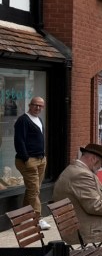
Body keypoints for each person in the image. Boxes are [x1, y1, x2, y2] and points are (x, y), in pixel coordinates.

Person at [52, 143, 102, 247]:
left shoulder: (75, 169)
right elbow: (95, 206)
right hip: (85, 227)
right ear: (94, 159)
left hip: (81, 219)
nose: (101, 167)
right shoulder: (81, 174)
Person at [14, 96, 49, 229]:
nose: (38, 108)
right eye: (35, 105)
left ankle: (21, 218)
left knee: (33, 190)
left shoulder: (39, 119)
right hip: (28, 161)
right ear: (30, 105)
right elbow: (19, 141)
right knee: (34, 191)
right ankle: (37, 219)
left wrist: (43, 156)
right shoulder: (23, 120)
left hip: (40, 160)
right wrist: (26, 158)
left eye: (40, 106)